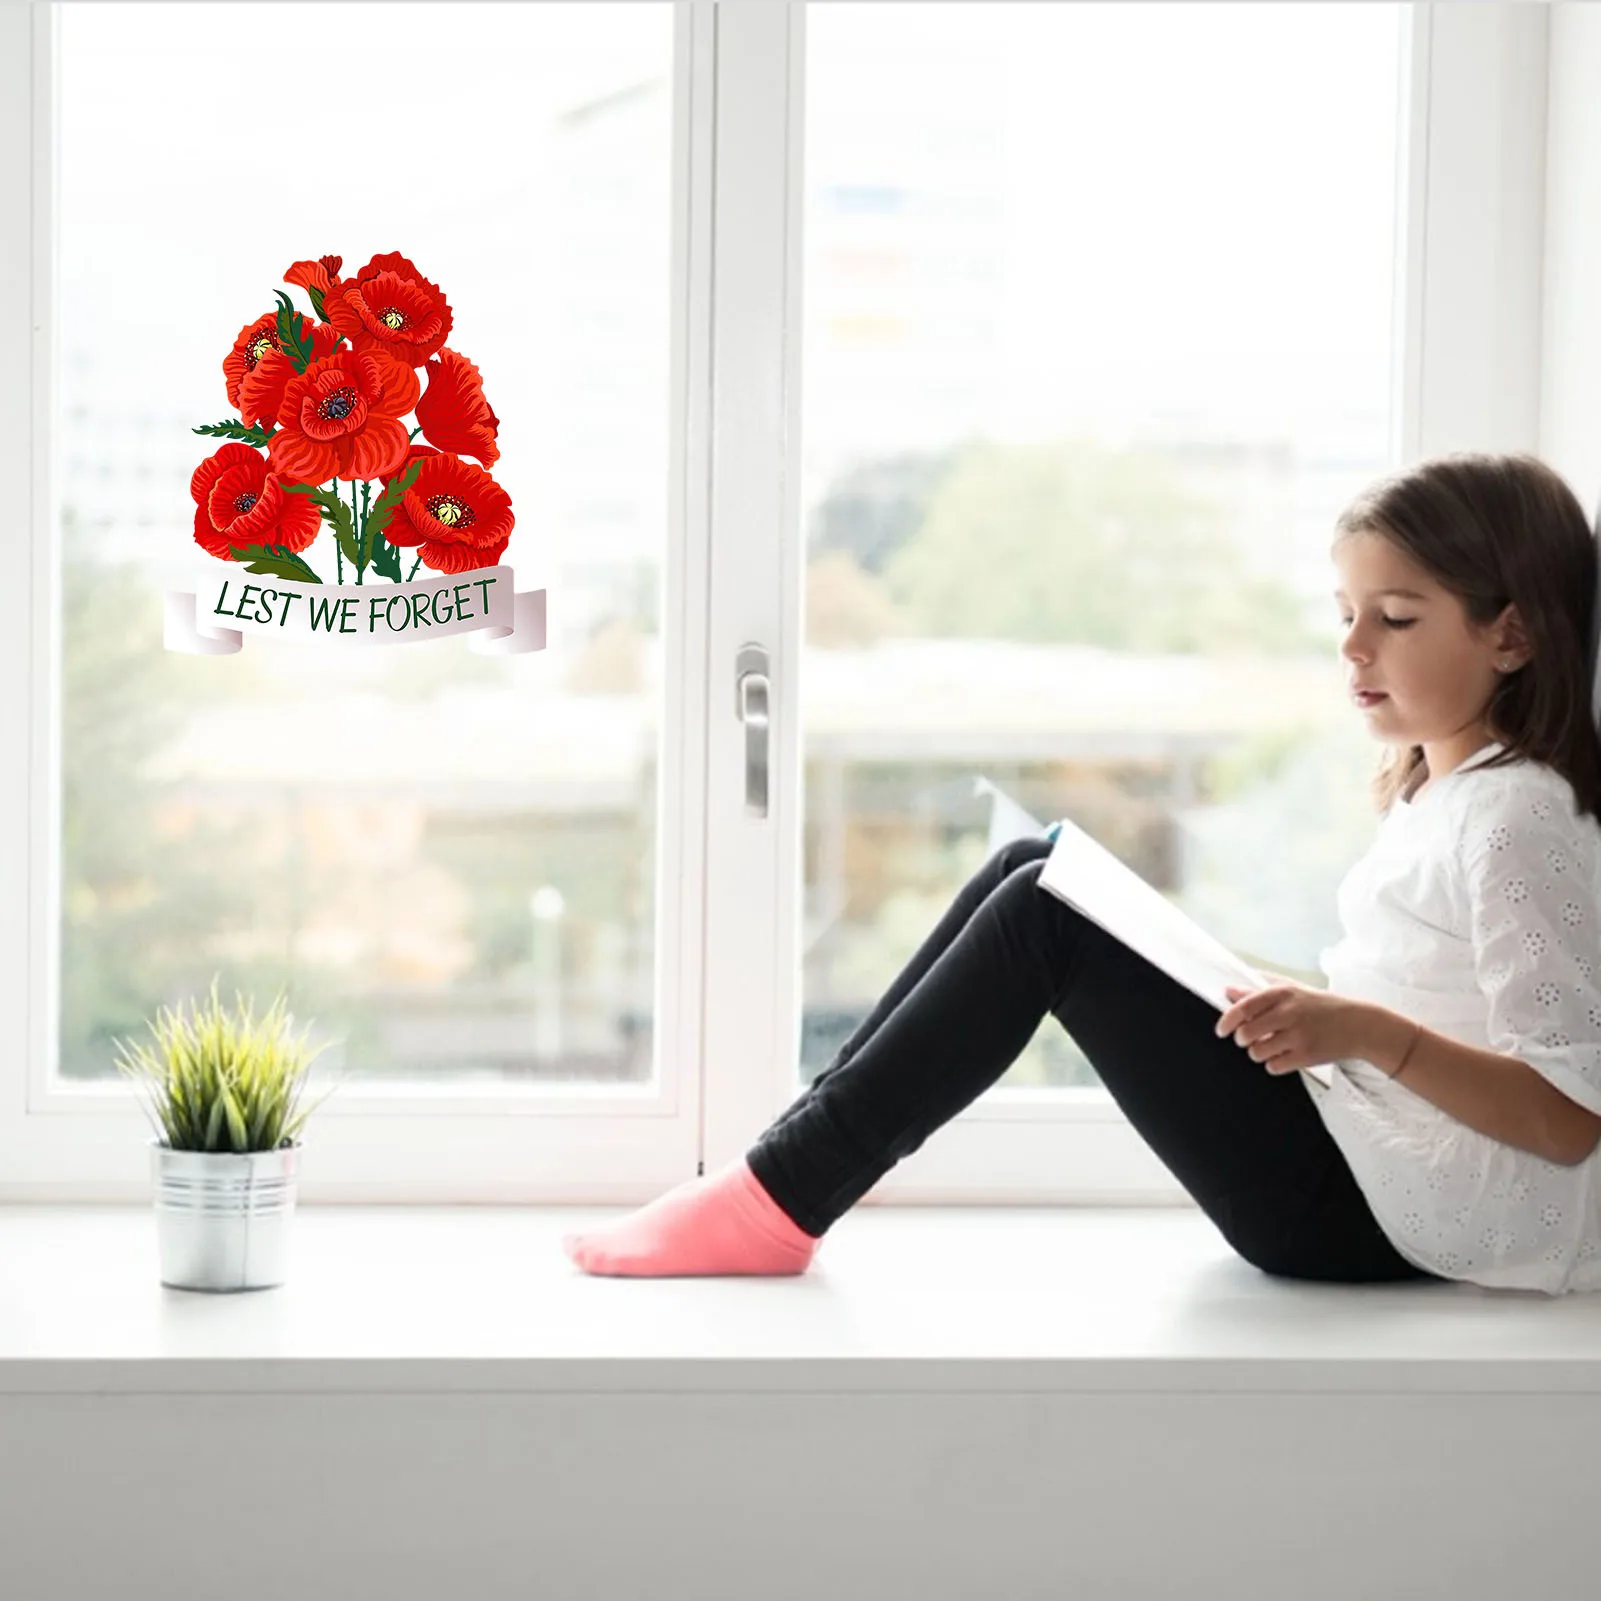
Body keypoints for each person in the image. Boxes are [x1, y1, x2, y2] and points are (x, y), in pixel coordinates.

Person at [563, 452, 1601, 1295]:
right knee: (1042, 866)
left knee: (1042, 919)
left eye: (1396, 616)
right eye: (1344, 611)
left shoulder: (1517, 815)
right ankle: (780, 1170)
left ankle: (774, 1198)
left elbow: (1566, 1113)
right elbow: (1423, 997)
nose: (1352, 646)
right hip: (1364, 1151)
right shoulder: (1447, 793)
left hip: (1375, 1214)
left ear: (1508, 633)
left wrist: (1365, 1030)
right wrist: (1302, 1004)